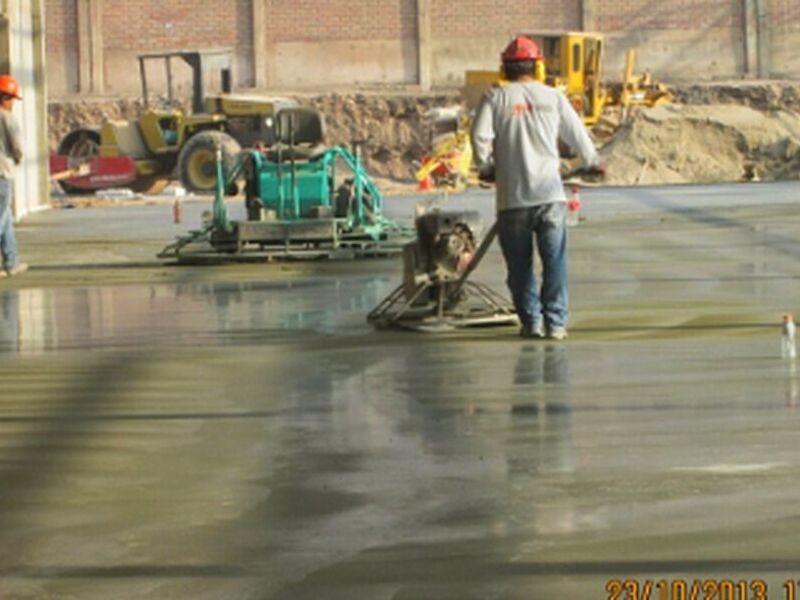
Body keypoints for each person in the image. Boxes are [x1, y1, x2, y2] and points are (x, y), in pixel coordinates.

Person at [471, 36, 602, 340]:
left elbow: (479, 138)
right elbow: (578, 134)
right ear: (538, 66)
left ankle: (532, 322)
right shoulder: (553, 97)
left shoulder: (495, 98)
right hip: (550, 198)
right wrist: (593, 160)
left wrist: (488, 167)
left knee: (519, 266)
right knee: (554, 262)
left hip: (513, 199)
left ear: (504, 68)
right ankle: (556, 323)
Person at [0, 73, 27, 278]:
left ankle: (11, 262)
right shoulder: (7, 118)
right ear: (5, 98)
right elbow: (18, 148)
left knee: (6, 218)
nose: (13, 105)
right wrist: (18, 159)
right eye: (12, 100)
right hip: (2, 175)